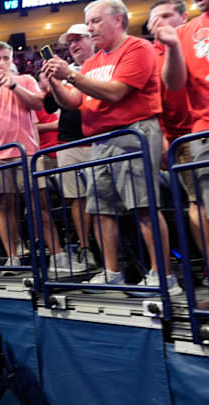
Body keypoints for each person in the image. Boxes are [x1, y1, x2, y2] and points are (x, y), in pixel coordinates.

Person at [43, 0, 181, 295]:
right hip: (100, 140)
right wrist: (55, 83)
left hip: (134, 132)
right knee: (103, 210)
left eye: (94, 21)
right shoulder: (92, 63)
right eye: (88, 22)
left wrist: (69, 75)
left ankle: (164, 276)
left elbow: (117, 93)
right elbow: (73, 103)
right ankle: (111, 273)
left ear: (118, 20)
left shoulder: (137, 48)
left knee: (144, 207)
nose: (90, 28)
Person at [0, 41, 77, 271]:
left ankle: (58, 256)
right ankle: (13, 257)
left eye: (5, 58)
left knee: (40, 206)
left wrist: (14, 86)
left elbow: (40, 104)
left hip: (27, 152)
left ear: (11, 60)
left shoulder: (26, 80)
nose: (1, 63)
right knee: (3, 207)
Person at [150, 0, 209, 286]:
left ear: (182, 16)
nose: (160, 22)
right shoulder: (155, 52)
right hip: (185, 138)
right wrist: (162, 136)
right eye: (155, 18)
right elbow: (154, 102)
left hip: (194, 132)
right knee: (198, 204)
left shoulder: (189, 36)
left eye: (166, 15)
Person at [43, 23, 98, 270]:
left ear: (92, 39)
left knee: (104, 198)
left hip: (100, 138)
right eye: (70, 42)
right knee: (78, 199)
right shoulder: (66, 71)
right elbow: (49, 106)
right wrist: (54, 82)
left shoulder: (105, 64)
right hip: (70, 143)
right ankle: (86, 249)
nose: (74, 45)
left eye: (79, 39)